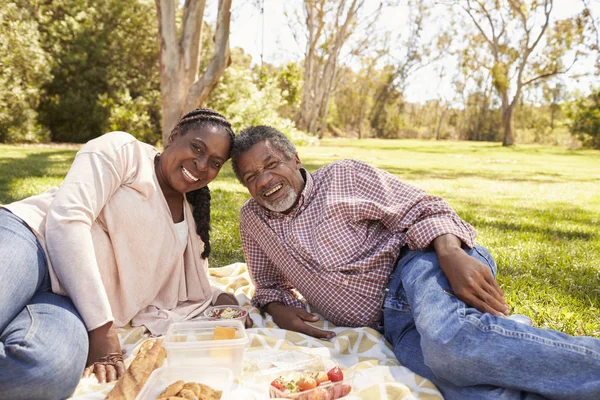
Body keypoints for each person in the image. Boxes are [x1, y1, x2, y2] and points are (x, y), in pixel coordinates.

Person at [230, 125, 600, 400]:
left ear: (295, 159)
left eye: (272, 164)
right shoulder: (253, 220)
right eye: (251, 177)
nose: (265, 181)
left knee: (447, 347)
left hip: (420, 266)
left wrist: (451, 254)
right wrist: (279, 309)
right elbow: (268, 286)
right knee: (468, 391)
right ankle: (496, 333)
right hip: (393, 323)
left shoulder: (344, 176)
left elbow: (425, 208)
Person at [0, 108, 252, 400]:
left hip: (68, 301)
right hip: (34, 242)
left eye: (215, 162)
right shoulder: (125, 152)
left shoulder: (189, 218)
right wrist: (102, 329)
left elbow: (175, 283)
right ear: (174, 136)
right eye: (197, 147)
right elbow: (67, 221)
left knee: (43, 373)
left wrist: (217, 298)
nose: (201, 164)